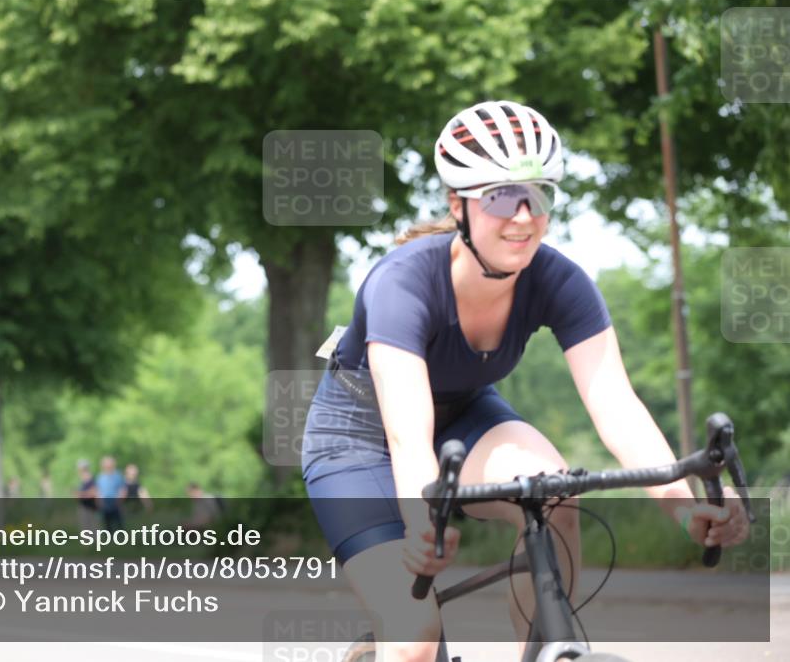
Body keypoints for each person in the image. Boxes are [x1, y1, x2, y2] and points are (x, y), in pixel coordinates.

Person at [300, 100, 751, 662]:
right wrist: (424, 525)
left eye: (538, 196)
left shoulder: (560, 280)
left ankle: (543, 650)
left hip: (465, 417)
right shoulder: (402, 284)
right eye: (500, 197)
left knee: (553, 490)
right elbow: (407, 438)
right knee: (415, 638)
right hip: (361, 440)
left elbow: (615, 404)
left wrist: (684, 508)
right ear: (457, 204)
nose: (522, 216)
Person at [95, 456, 126, 532]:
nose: (108, 466)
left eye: (109, 464)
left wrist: (120, 500)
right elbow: (98, 490)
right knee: (107, 523)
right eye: (106, 464)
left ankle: (122, 538)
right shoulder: (100, 476)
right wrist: (98, 501)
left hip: (115, 501)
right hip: (104, 502)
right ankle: (109, 538)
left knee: (118, 522)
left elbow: (122, 489)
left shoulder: (118, 476)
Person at [75, 459, 99, 532]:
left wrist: (81, 494)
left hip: (91, 506)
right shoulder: (82, 479)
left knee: (93, 525)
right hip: (83, 505)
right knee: (85, 525)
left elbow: (94, 492)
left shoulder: (91, 479)